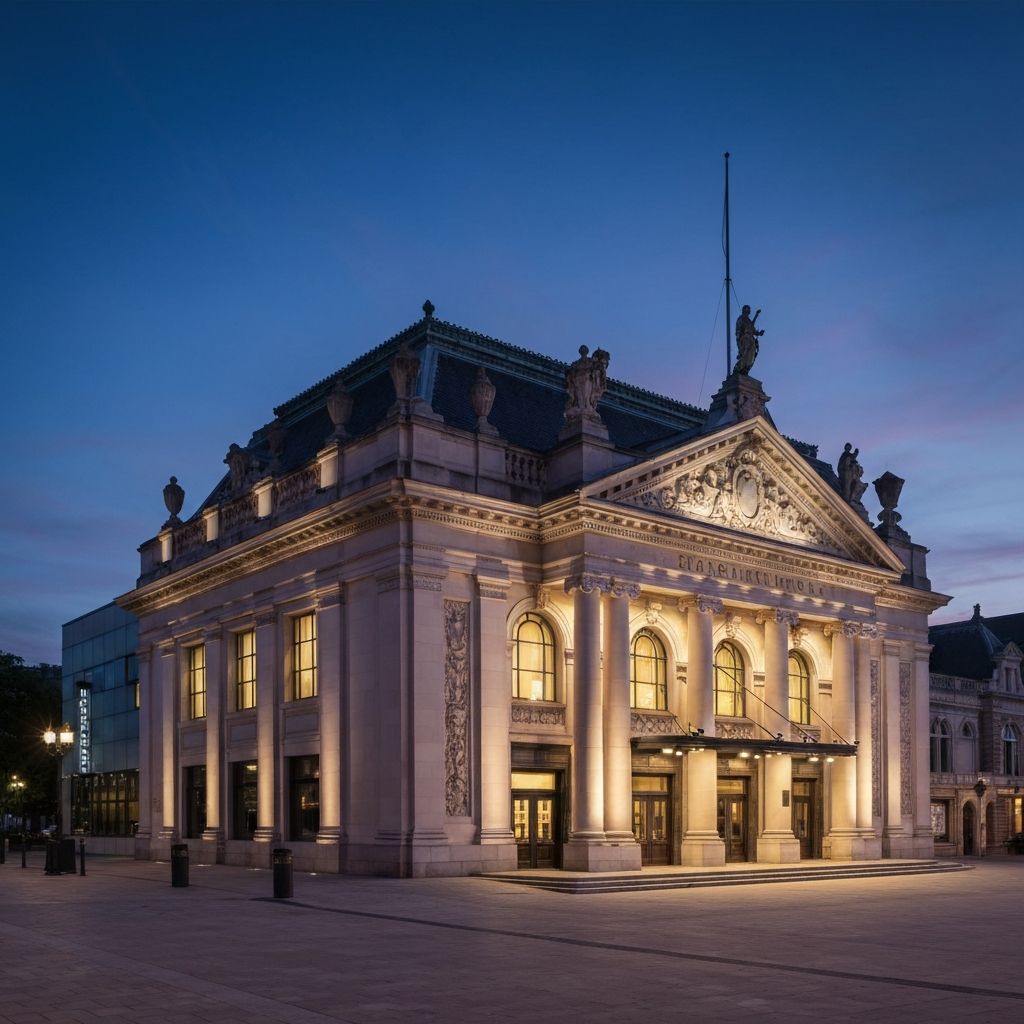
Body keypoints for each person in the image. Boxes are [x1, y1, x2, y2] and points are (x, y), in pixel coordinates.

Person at [734, 305, 763, 375]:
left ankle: (746, 369)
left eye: (749, 310)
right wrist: (738, 339)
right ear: (744, 310)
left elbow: (753, 330)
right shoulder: (740, 319)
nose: (748, 312)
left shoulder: (749, 321)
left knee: (752, 355)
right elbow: (738, 330)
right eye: (747, 310)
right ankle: (738, 368)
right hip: (745, 337)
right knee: (745, 353)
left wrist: (759, 333)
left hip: (751, 338)